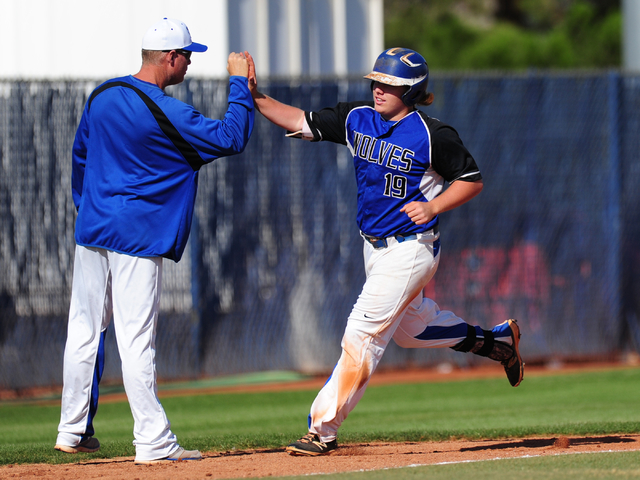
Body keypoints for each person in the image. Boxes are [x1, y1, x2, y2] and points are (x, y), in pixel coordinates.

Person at [246, 47, 523, 456]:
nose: (378, 89)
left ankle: (321, 429)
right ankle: (495, 342)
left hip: (412, 249)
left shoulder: (433, 135)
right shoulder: (357, 118)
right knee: (412, 332)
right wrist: (254, 96)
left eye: (389, 84)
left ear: (411, 90)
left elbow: (471, 179)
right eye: (376, 81)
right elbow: (300, 120)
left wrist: (433, 205)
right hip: (373, 248)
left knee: (362, 335)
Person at [54, 18, 254, 464]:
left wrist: (85, 206)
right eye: (187, 56)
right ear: (170, 58)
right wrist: (239, 84)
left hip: (93, 230)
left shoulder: (103, 95)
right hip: (136, 236)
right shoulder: (166, 110)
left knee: (85, 330)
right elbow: (231, 137)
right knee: (136, 339)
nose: (189, 63)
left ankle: (71, 430)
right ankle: (153, 441)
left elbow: (80, 154)